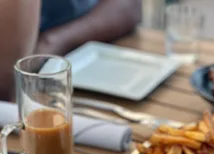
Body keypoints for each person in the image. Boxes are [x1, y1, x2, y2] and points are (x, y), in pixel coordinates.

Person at [0, 0, 141, 100]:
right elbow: (7, 84)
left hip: (76, 71)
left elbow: (130, 5)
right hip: (24, 94)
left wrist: (53, 42)